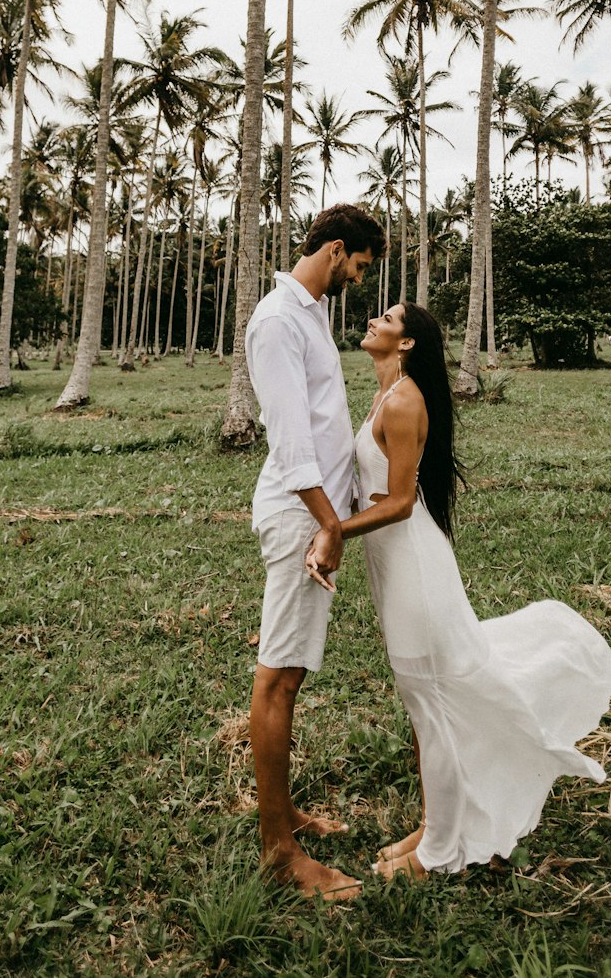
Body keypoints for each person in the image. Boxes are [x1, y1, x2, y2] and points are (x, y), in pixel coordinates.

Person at [308, 302, 611, 878]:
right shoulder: (387, 393)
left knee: (434, 710)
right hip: (398, 568)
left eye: (388, 320)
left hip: (415, 570)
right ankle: (434, 825)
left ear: (406, 345)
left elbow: (398, 505)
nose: (374, 320)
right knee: (427, 707)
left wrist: (333, 531)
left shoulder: (402, 401)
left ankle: (438, 852)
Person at [245, 202, 386, 901]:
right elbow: (291, 443)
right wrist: (329, 526)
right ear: (335, 250)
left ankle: (285, 814)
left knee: (291, 674)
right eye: (358, 267)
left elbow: (325, 423)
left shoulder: (310, 312)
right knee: (278, 677)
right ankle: (278, 848)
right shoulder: (276, 322)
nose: (358, 281)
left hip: (320, 512)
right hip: (302, 518)